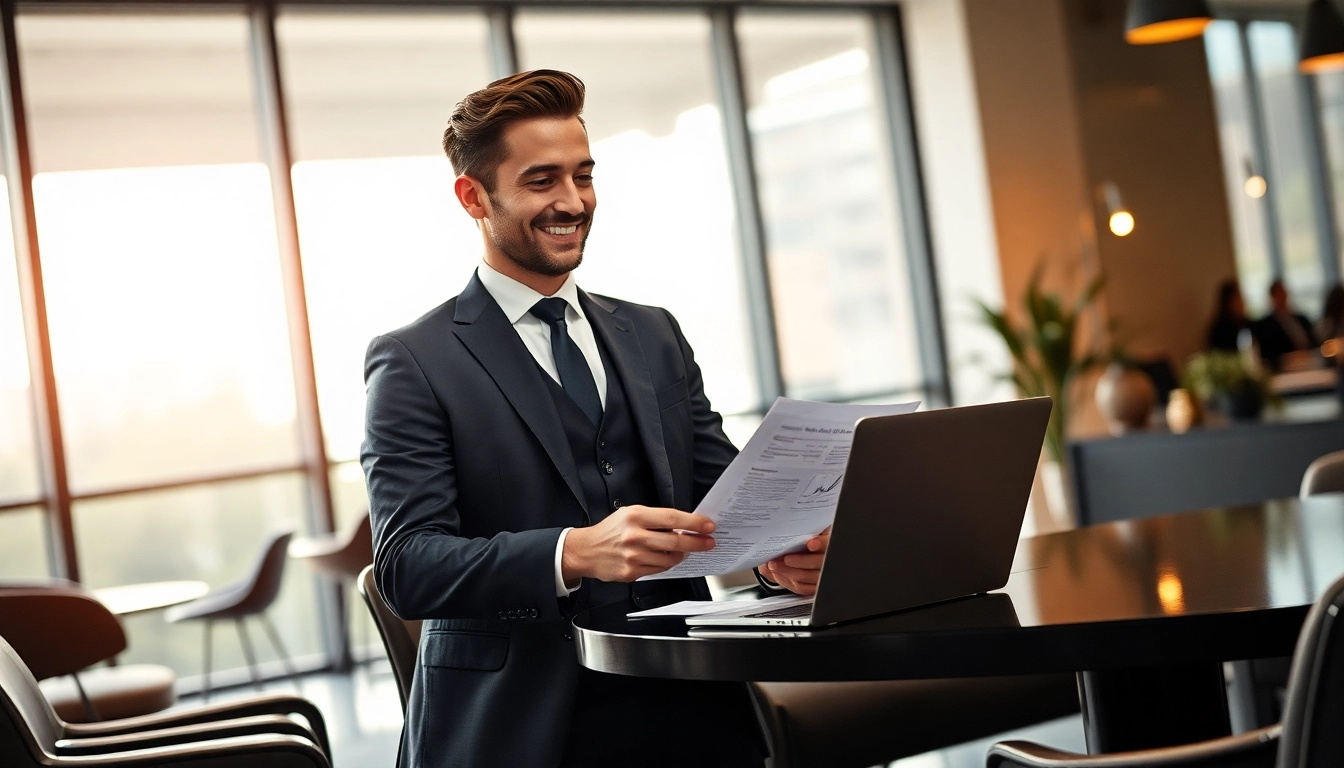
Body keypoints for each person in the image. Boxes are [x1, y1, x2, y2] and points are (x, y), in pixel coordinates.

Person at [361, 70, 825, 768]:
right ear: (473, 196)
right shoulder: (412, 361)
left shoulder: (653, 332)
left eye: (584, 175)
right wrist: (571, 552)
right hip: (522, 725)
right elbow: (406, 566)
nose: (573, 202)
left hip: (692, 706)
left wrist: (780, 555)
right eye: (542, 180)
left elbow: (724, 500)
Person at [1252, 279, 1318, 371]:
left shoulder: (1301, 319)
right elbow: (1268, 355)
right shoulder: (1265, 326)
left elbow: (1315, 341)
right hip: (1287, 369)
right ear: (1272, 297)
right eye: (1279, 294)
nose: (1282, 297)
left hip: (1311, 363)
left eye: (1284, 293)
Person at [1205, 278, 1248, 352]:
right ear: (1228, 303)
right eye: (1238, 299)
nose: (1243, 303)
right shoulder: (1220, 330)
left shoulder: (1245, 324)